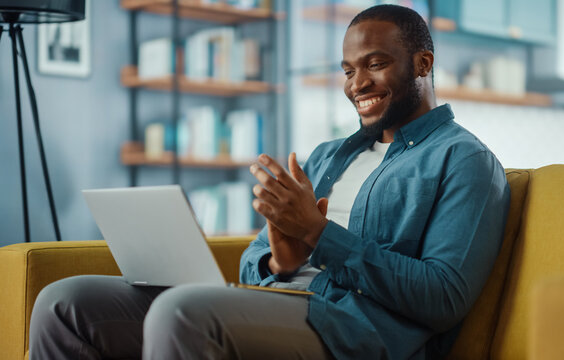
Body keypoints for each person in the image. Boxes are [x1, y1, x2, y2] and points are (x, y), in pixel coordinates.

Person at [29, 4, 510, 360]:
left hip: (350, 330)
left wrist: (319, 237)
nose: (356, 83)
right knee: (64, 303)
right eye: (348, 70)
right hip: (278, 302)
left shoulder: (463, 160)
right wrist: (282, 259)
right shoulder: (327, 156)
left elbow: (444, 296)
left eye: (375, 64)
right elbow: (254, 263)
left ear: (423, 64)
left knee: (181, 313)